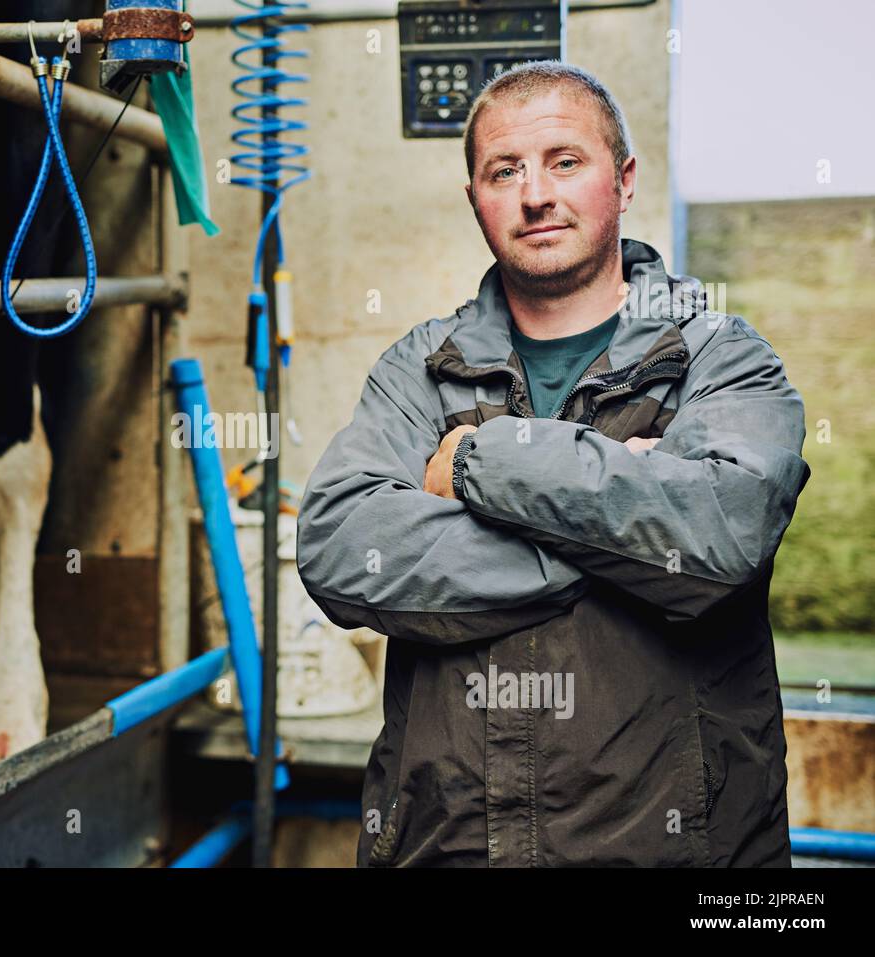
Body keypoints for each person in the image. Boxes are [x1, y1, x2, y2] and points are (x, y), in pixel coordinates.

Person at [295, 61, 811, 867]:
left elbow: (720, 535)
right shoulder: (420, 369)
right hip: (447, 848)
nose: (535, 193)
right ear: (476, 199)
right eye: (505, 171)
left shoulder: (718, 357)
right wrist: (613, 532)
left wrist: (477, 462)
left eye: (565, 161)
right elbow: (338, 550)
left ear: (625, 178)